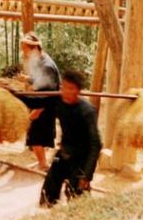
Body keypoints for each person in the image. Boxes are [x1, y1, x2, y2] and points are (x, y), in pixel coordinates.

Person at [39, 69, 102, 207]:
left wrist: (87, 175)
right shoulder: (59, 103)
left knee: (77, 200)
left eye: (71, 88)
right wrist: (12, 93)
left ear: (78, 91)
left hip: (82, 159)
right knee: (47, 194)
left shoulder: (87, 111)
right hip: (64, 154)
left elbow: (96, 144)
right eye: (64, 87)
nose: (66, 91)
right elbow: (35, 101)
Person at [20, 32, 60, 171]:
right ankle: (42, 162)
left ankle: (43, 164)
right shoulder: (41, 61)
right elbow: (40, 81)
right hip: (43, 102)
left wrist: (38, 110)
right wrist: (28, 79)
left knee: (35, 135)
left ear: (35, 48)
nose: (24, 53)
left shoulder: (46, 65)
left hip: (45, 104)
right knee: (39, 134)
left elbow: (48, 90)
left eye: (25, 49)